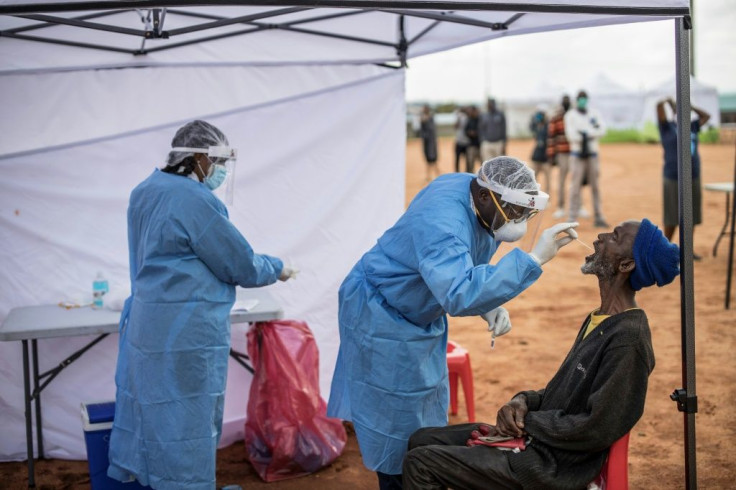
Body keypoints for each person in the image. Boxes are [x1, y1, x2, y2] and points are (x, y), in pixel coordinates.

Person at [327, 156, 579, 490]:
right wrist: (533, 260)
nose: (517, 221)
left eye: (525, 214)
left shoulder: (472, 190)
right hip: (381, 313)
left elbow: (463, 263)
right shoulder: (442, 223)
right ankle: (398, 481)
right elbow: (459, 292)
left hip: (418, 308)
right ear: (487, 196)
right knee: (392, 420)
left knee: (425, 406)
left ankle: (419, 470)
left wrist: (488, 304)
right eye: (514, 211)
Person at [403, 218, 680, 490]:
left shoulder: (628, 339)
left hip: (550, 467)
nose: (600, 237)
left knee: (421, 463)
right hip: (539, 445)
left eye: (615, 237)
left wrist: (528, 424)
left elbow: (599, 427)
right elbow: (562, 395)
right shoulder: (601, 319)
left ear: (627, 265)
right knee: (421, 439)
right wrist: (522, 402)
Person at [107, 120, 295, 490]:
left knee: (158, 421)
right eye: (219, 160)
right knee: (188, 424)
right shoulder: (194, 200)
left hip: (149, 327)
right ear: (197, 158)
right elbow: (238, 262)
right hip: (186, 333)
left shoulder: (144, 191)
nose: (221, 170)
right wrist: (277, 267)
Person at [657, 97, 710, 257]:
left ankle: (687, 250)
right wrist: (667, 101)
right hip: (673, 176)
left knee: (691, 214)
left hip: (693, 174)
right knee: (672, 216)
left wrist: (691, 106)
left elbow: (706, 117)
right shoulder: (667, 127)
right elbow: (658, 107)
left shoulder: (692, 126)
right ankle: (665, 250)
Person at [565, 90, 608, 227]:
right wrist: (591, 133)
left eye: (584, 98)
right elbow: (571, 136)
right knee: (575, 186)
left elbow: (602, 130)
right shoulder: (570, 115)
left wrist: (585, 133)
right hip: (577, 155)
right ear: (576, 100)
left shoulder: (594, 114)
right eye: (580, 98)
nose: (582, 101)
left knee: (595, 186)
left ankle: (599, 216)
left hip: (592, 155)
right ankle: (571, 218)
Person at [547, 95, 572, 219]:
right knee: (562, 181)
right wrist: (551, 155)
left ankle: (578, 206)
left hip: (575, 153)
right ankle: (561, 207)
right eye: (565, 101)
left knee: (576, 182)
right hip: (562, 153)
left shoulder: (574, 115)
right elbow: (551, 137)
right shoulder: (557, 118)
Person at [529, 106, 550, 194]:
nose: (540, 117)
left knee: (547, 180)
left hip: (546, 157)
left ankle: (547, 197)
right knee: (533, 178)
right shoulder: (536, 126)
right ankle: (533, 195)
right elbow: (530, 127)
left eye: (541, 115)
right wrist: (533, 118)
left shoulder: (548, 126)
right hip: (536, 156)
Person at [479, 98, 507, 162]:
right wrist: (482, 140)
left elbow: (504, 129)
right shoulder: (484, 115)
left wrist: (504, 143)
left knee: (499, 163)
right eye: (488, 104)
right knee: (487, 163)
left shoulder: (500, 114)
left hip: (498, 143)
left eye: (491, 104)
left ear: (494, 104)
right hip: (487, 143)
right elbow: (481, 129)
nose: (489, 105)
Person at [420, 104, 439, 181]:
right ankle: (431, 175)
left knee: (433, 158)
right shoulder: (424, 118)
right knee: (428, 159)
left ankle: (436, 174)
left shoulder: (430, 118)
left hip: (431, 142)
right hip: (427, 142)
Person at [464, 105, 482, 174]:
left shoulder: (480, 119)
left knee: (482, 163)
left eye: (472, 111)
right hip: (471, 145)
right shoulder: (469, 120)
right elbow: (465, 131)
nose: (470, 112)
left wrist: (476, 133)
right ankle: (470, 177)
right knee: (470, 164)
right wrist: (470, 133)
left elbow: (483, 130)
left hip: (480, 145)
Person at [454, 106, 471, 173]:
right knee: (458, 159)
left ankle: (466, 171)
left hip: (466, 142)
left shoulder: (468, 118)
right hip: (459, 141)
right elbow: (455, 126)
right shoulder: (460, 117)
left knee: (467, 160)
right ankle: (457, 171)